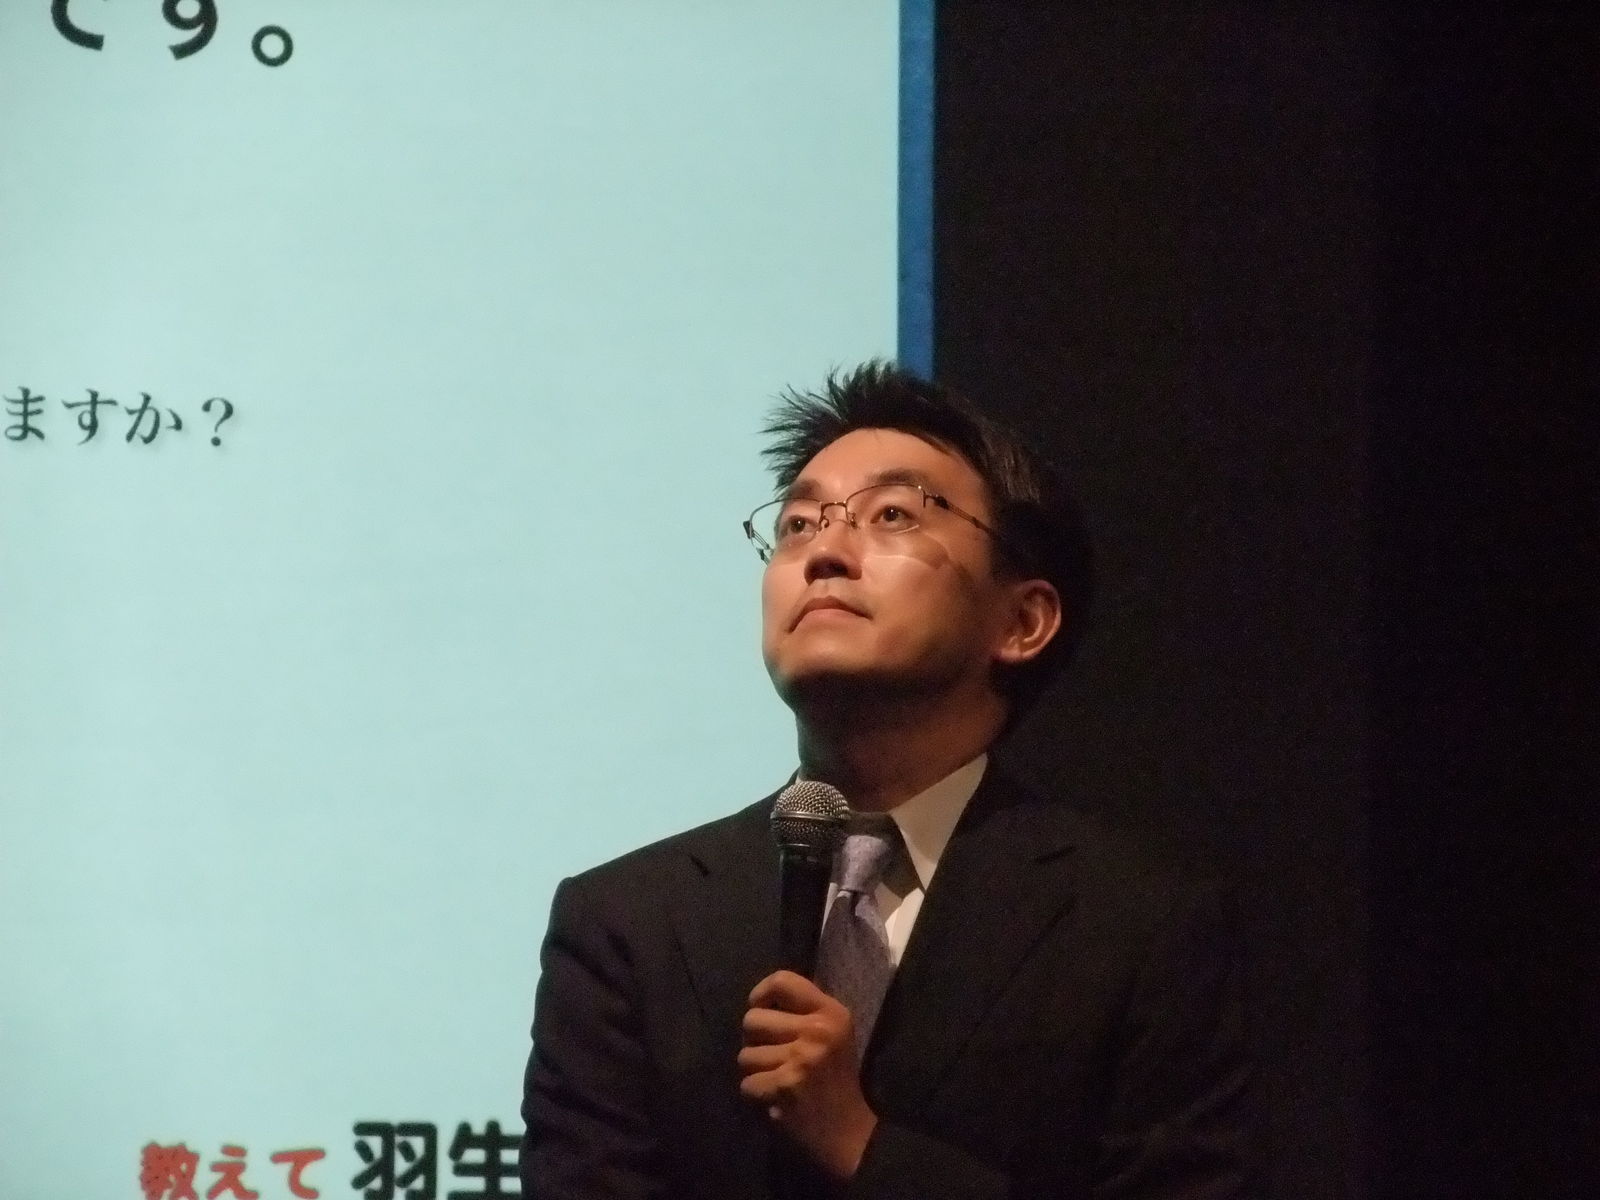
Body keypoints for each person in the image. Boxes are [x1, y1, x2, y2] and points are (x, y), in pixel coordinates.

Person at [520, 362, 1258, 1198]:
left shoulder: (1138, 926)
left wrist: (860, 1144)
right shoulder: (627, 924)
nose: (825, 553)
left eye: (893, 515)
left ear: (1022, 620)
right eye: (797, 524)